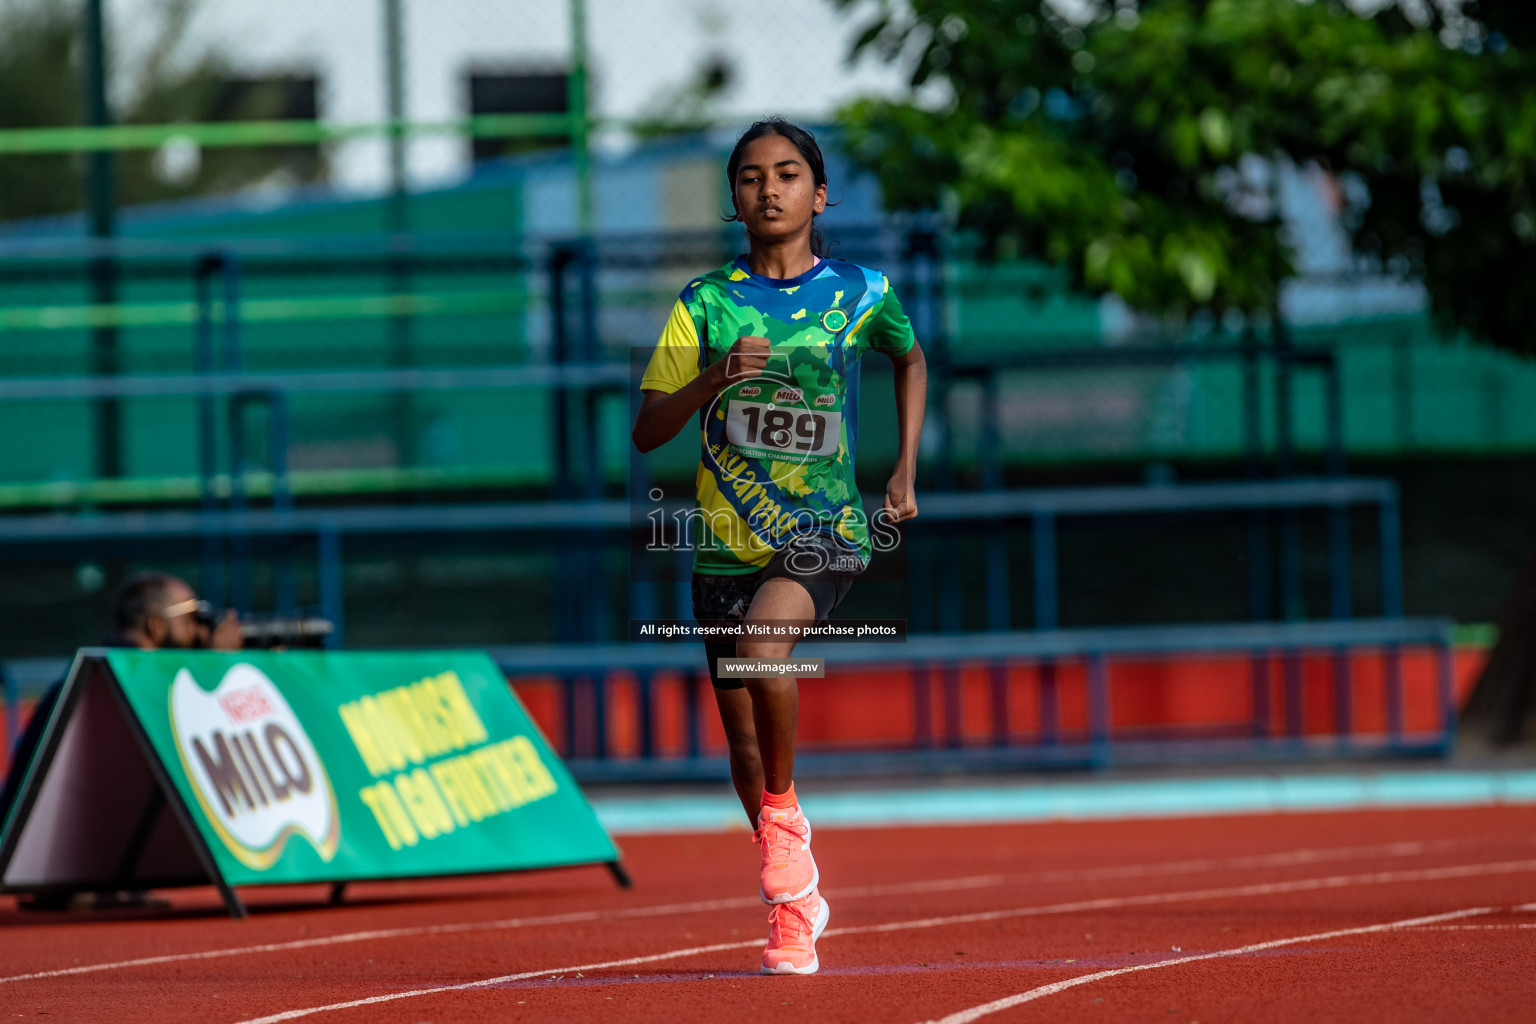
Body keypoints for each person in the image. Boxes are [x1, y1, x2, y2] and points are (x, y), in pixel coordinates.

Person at [632, 119, 927, 975]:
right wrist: (712, 379)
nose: (770, 189)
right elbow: (649, 428)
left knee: (767, 656)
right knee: (743, 745)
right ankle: (794, 908)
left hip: (825, 533)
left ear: (819, 193)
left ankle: (787, 816)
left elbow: (911, 360)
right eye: (752, 177)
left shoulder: (862, 292)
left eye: (789, 174)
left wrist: (903, 470)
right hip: (724, 541)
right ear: (735, 199)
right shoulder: (705, 303)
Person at [3, 572, 240, 910]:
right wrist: (218, 666)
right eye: (190, 618)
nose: (199, 630)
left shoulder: (106, 667)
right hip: (46, 845)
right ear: (157, 627)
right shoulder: (129, 678)